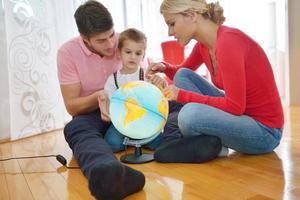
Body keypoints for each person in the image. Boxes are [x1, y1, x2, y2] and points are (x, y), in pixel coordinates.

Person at [146, 0, 284, 163]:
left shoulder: (228, 43)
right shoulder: (204, 45)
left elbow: (235, 107)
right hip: (242, 116)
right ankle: (213, 145)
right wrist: (163, 66)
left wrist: (182, 95)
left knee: (188, 116)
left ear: (191, 15)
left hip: (265, 132)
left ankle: (212, 145)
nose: (170, 32)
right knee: (183, 75)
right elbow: (180, 71)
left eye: (172, 24)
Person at [56, 1, 145, 199]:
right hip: (93, 114)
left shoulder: (123, 40)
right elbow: (72, 106)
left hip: (132, 107)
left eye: (111, 35)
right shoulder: (67, 53)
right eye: (101, 40)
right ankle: (109, 175)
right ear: (85, 39)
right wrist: (100, 96)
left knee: (171, 107)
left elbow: (144, 68)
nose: (111, 44)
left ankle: (202, 139)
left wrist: (157, 73)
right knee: (76, 129)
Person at [102, 28, 163, 152]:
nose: (133, 57)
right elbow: (112, 105)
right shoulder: (112, 79)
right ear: (119, 53)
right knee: (112, 144)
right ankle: (132, 139)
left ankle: (136, 140)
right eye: (128, 52)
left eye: (138, 53)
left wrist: (160, 83)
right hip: (122, 123)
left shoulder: (146, 76)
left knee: (158, 143)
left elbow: (159, 97)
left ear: (143, 55)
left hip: (144, 120)